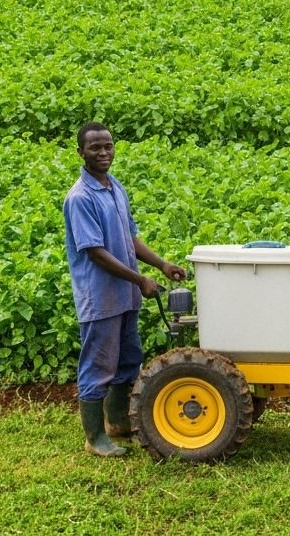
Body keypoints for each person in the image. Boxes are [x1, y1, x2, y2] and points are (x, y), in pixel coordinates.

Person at [63, 122, 187, 457]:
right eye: (95, 148)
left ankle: (117, 423)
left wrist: (161, 265)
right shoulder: (81, 197)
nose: (103, 153)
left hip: (125, 296)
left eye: (108, 146)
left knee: (129, 359)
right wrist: (139, 279)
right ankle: (95, 438)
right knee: (99, 365)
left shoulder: (114, 186)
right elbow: (95, 252)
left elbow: (130, 238)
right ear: (81, 152)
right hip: (101, 297)